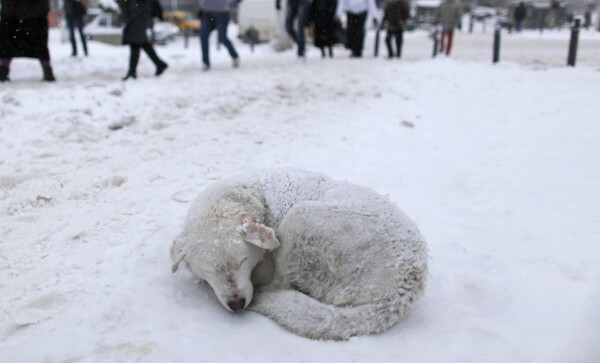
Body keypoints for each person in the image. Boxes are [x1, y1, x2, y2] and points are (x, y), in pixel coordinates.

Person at [0, 0, 56, 82]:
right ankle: (3, 70)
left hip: (23, 15)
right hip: (23, 15)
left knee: (8, 44)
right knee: (8, 44)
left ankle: (3, 70)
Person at [117, 0, 168, 80]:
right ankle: (159, 64)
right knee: (139, 44)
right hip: (138, 16)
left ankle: (132, 72)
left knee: (136, 44)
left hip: (139, 17)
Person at [199, 0, 240, 70]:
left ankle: (235, 56)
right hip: (207, 14)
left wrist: (234, 3)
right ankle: (205, 62)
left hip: (222, 13)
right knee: (203, 36)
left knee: (222, 38)